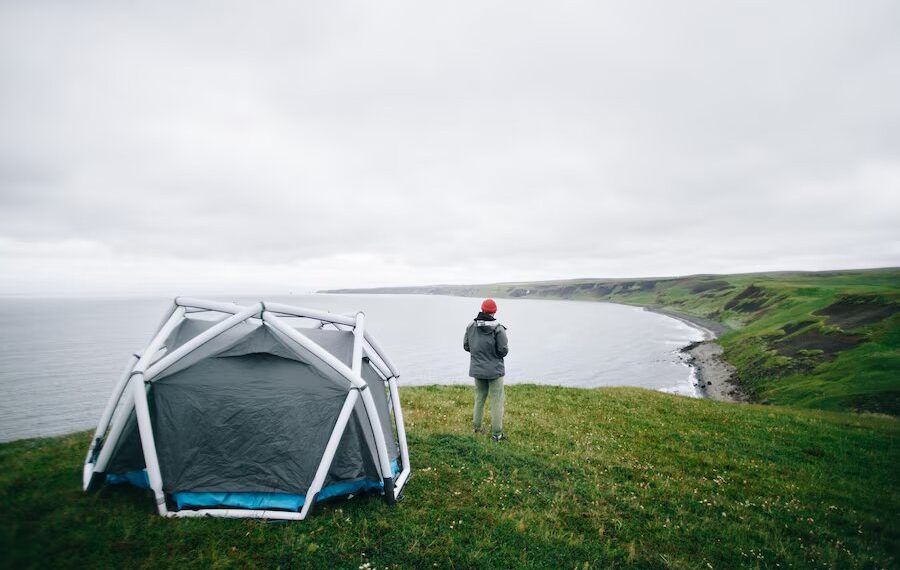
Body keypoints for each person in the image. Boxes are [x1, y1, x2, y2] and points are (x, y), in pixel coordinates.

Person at [463, 298, 509, 441]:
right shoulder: (498, 329)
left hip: (478, 369)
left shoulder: (471, 326)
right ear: (494, 311)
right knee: (496, 401)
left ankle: (477, 428)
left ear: (482, 309)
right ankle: (497, 434)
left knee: (479, 398)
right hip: (494, 370)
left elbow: (466, 346)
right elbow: (503, 351)